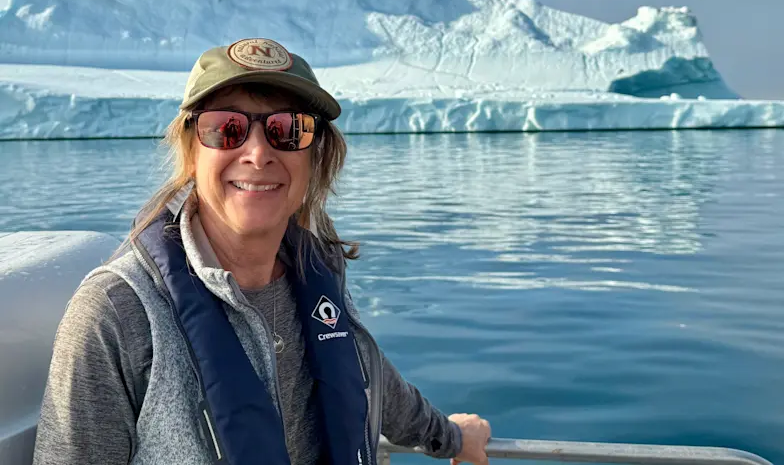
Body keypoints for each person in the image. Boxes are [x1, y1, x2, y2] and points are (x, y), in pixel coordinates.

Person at [33, 38, 492, 465]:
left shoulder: (318, 275)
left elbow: (364, 376)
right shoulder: (115, 314)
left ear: (315, 157)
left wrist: (449, 436)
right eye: (227, 129)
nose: (257, 153)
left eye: (287, 129)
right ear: (193, 151)